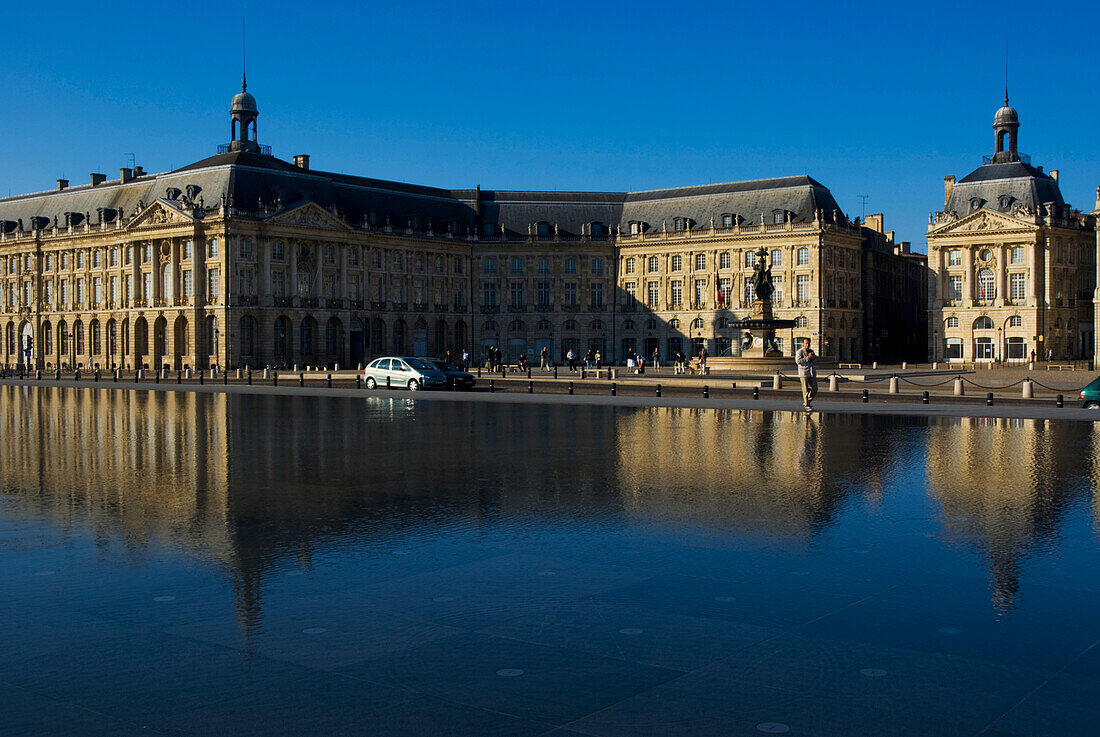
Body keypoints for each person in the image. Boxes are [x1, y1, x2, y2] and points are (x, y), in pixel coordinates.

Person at [795, 337, 817, 413]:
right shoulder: (799, 351)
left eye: (808, 343)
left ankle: (807, 401)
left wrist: (814, 357)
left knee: (815, 388)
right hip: (803, 373)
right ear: (803, 344)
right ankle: (807, 406)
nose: (807, 345)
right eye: (806, 343)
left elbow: (815, 359)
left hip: (811, 373)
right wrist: (808, 357)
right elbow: (798, 361)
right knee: (805, 390)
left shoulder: (811, 351)